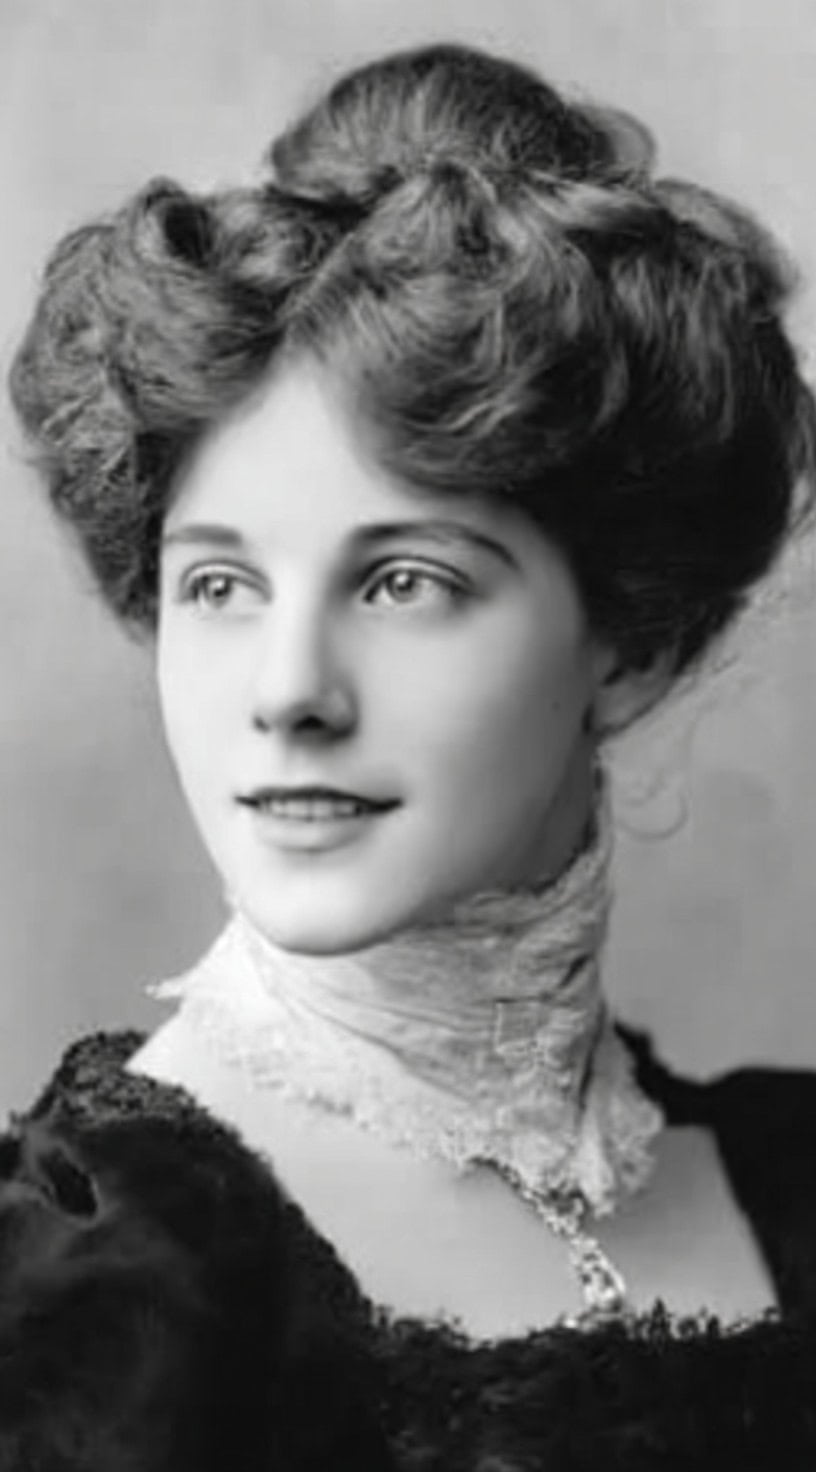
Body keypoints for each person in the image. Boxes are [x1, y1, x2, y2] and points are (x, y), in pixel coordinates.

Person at [5, 39, 816, 1468]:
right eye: (220, 586)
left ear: (630, 642)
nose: (289, 693)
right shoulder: (86, 1284)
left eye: (404, 583)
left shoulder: (785, 1180)